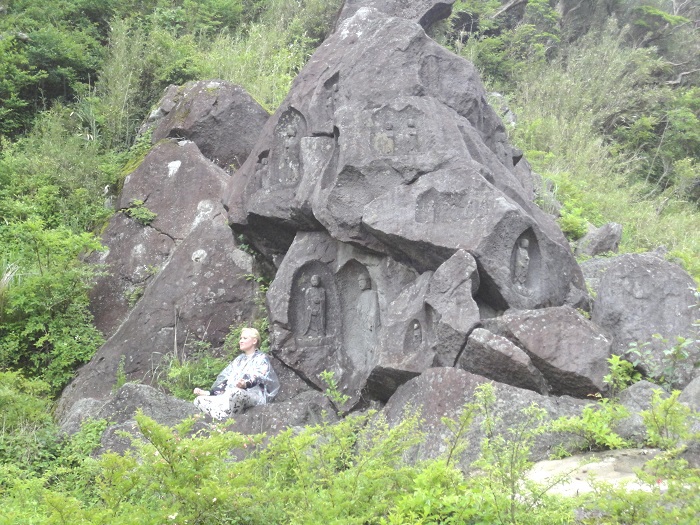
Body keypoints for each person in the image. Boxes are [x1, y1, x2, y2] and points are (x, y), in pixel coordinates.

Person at [193, 327, 279, 420]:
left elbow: (260, 376)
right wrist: (208, 393)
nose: (241, 341)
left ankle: (228, 420)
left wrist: (245, 384)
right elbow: (226, 380)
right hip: (230, 395)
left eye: (245, 338)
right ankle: (223, 418)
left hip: (253, 395)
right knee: (199, 400)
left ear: (254, 341)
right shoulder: (239, 360)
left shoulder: (261, 358)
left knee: (236, 393)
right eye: (241, 338)